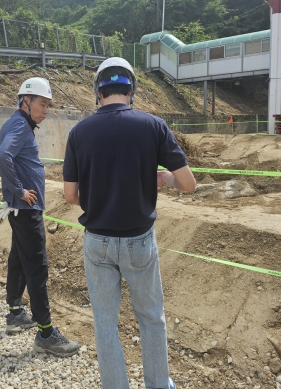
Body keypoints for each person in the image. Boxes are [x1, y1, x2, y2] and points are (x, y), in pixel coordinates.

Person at [62, 58, 196, 389]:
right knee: (151, 318)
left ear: (98, 92)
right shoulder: (153, 126)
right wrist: (165, 178)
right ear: (131, 90)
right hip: (139, 241)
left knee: (105, 323)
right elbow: (188, 183)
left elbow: (70, 195)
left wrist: (99, 198)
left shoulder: (79, 133)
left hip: (97, 241)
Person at [0, 77, 79, 357]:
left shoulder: (15, 124)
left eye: (48, 105)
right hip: (27, 211)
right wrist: (20, 190)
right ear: (25, 101)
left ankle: (16, 312)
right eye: (42, 104)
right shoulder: (20, 125)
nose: (46, 110)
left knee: (19, 258)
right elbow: (1, 158)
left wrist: (15, 191)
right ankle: (46, 333)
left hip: (20, 210)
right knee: (37, 267)